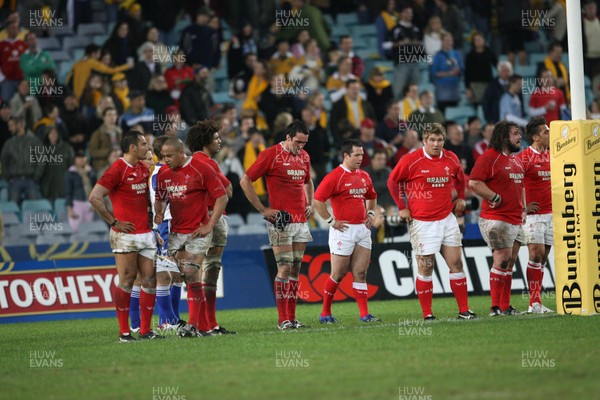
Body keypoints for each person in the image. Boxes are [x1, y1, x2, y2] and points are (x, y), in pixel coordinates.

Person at [387, 123, 476, 320]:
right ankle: (427, 314)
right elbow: (392, 181)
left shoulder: (451, 158)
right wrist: (402, 207)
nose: (436, 144)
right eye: (432, 140)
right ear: (424, 141)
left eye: (440, 140)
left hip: (447, 219)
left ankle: (464, 311)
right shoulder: (410, 160)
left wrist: (460, 196)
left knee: (456, 263)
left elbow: (460, 178)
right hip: (423, 222)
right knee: (426, 267)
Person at [240, 120, 314, 330]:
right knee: (284, 267)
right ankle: (283, 320)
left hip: (301, 221)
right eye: (298, 142)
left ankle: (292, 317)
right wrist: (263, 209)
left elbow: (308, 181)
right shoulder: (271, 154)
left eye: (304, 143)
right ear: (288, 137)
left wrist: (310, 202)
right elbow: (245, 180)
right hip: (280, 221)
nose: (301, 147)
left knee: (295, 269)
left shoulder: (304, 156)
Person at [88, 130, 161, 341]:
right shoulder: (117, 169)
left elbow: (146, 196)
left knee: (149, 280)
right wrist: (113, 221)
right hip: (125, 235)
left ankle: (146, 331)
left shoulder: (141, 168)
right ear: (132, 147)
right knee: (127, 280)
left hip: (145, 233)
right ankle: (124, 332)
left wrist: (151, 218)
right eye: (144, 144)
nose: (147, 148)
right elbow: (95, 197)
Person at [155, 137, 228, 338]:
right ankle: (204, 327)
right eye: (163, 156)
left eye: (169, 156)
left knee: (190, 271)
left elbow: (222, 196)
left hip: (198, 231)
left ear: (181, 153)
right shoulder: (163, 173)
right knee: (186, 277)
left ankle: (193, 325)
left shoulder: (201, 168)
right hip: (176, 233)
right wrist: (158, 212)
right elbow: (160, 198)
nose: (165, 160)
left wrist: (210, 225)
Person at [313, 139, 381, 323]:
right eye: (357, 155)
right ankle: (325, 313)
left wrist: (371, 212)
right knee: (339, 273)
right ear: (346, 156)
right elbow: (318, 200)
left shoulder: (364, 176)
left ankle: (364, 314)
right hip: (343, 230)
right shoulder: (335, 176)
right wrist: (330, 221)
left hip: (362, 229)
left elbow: (372, 196)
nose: (361, 158)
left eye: (362, 155)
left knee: (361, 273)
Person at [468, 121, 526, 316]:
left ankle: (505, 306)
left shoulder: (516, 160)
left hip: (516, 218)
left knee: (510, 262)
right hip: (496, 218)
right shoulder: (489, 158)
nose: (519, 137)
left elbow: (520, 187)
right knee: (502, 260)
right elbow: (474, 183)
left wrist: (524, 209)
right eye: (515, 134)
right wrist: (493, 196)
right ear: (504, 137)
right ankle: (494, 307)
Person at [186, 120, 237, 335]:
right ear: (206, 140)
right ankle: (206, 323)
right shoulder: (207, 163)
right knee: (209, 271)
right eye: (216, 138)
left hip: (198, 219)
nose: (219, 141)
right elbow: (227, 191)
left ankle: (206, 324)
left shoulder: (191, 161)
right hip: (210, 219)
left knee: (201, 271)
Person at [147, 136, 185, 332]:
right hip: (167, 225)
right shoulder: (160, 173)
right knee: (168, 273)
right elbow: (165, 197)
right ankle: (166, 320)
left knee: (176, 275)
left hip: (172, 224)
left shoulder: (163, 171)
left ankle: (173, 318)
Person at [518, 117, 554, 314]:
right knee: (536, 253)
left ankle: (535, 303)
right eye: (545, 132)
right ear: (535, 137)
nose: (549, 134)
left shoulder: (553, 156)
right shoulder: (524, 158)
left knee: (544, 257)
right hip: (533, 216)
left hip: (551, 214)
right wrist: (523, 207)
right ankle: (535, 301)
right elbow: (514, 184)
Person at [0, 116, 44, 204]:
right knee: (12, 208)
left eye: (11, 125)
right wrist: (8, 177)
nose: (9, 128)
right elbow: (3, 161)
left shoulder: (34, 141)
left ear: (20, 125)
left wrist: (36, 177)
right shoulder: (9, 143)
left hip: (31, 180)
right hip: (14, 181)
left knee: (34, 208)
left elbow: (41, 160)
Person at [65, 151, 96, 233]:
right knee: (76, 229)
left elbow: (95, 187)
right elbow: (68, 192)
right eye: (79, 158)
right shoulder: (71, 173)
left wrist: (90, 172)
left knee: (89, 230)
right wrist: (70, 208)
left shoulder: (89, 171)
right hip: (77, 203)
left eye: (83, 158)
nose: (81, 160)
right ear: (75, 160)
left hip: (89, 203)